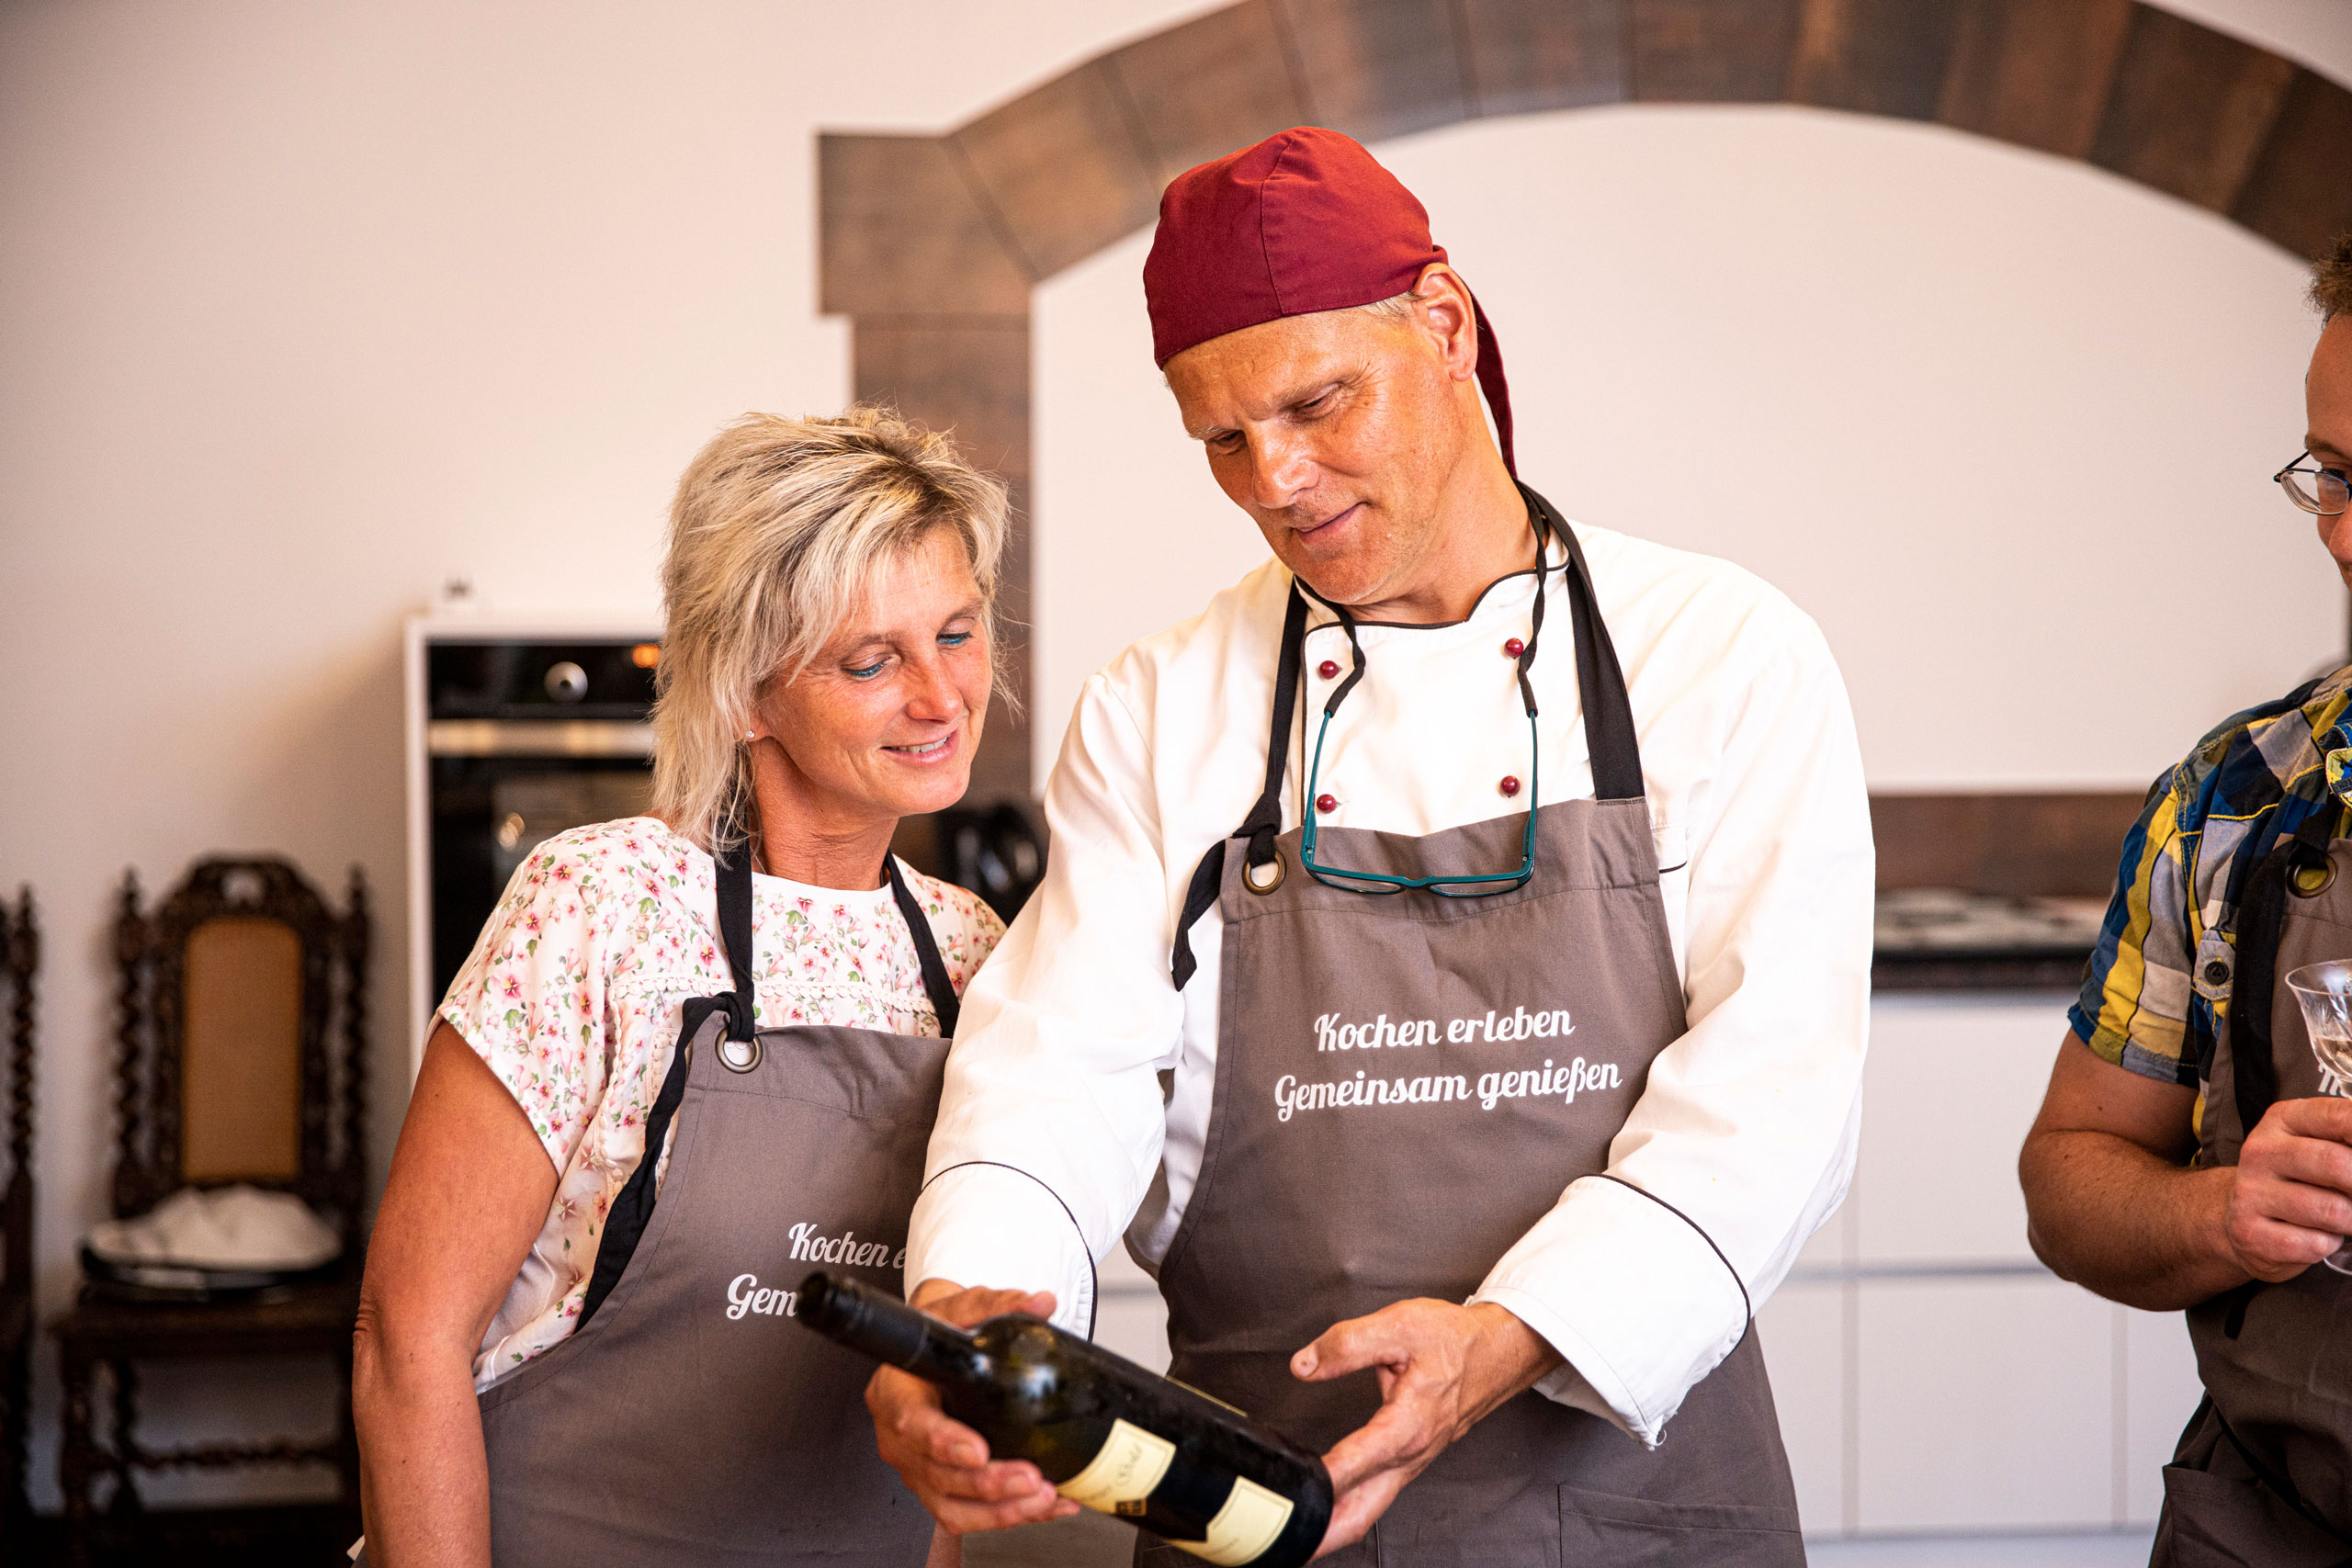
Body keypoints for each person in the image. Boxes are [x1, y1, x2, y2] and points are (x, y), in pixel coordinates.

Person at [866, 128, 1873, 1564]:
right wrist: (976, 1304)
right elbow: (1057, 1071)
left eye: (1315, 401)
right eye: (1223, 439)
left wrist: (1510, 1334)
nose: (1276, 477)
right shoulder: (1163, 704)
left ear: (1445, 324)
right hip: (1263, 1511)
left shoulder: (1722, 656)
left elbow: (1774, 1096)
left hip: (1633, 1512)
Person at [353, 408, 1012, 1568]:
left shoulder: (973, 952)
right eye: (872, 661)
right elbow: (407, 1339)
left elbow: (940, 1389)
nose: (941, 695)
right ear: (745, 692)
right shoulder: (599, 906)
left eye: (957, 634)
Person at [2021, 238, 2352, 1567]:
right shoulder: (2234, 801)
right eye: (2333, 474)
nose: (2343, 535)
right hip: (2271, 1522)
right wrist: (2224, 1211)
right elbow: (2069, 1176)